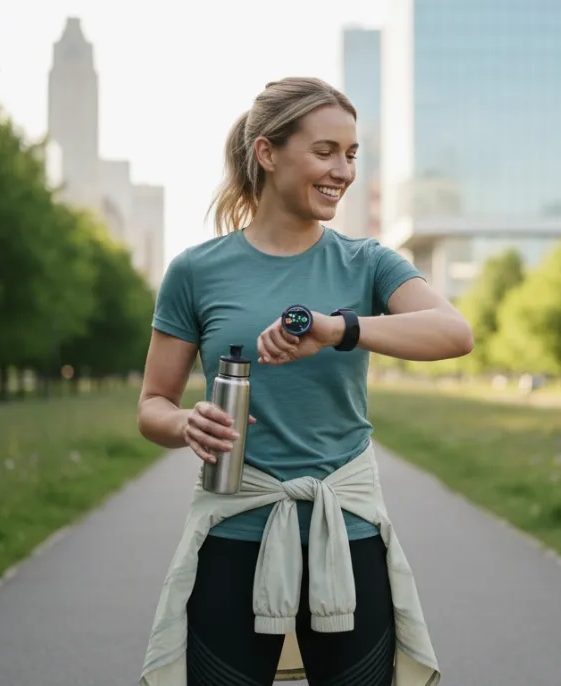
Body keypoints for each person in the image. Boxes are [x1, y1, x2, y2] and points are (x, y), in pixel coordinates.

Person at [135, 77, 473, 686]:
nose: (342, 170)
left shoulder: (366, 261)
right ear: (267, 153)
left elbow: (453, 332)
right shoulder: (195, 271)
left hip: (346, 533)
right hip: (234, 528)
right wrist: (186, 422)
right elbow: (152, 405)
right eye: (324, 151)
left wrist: (339, 328)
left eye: (350, 154)